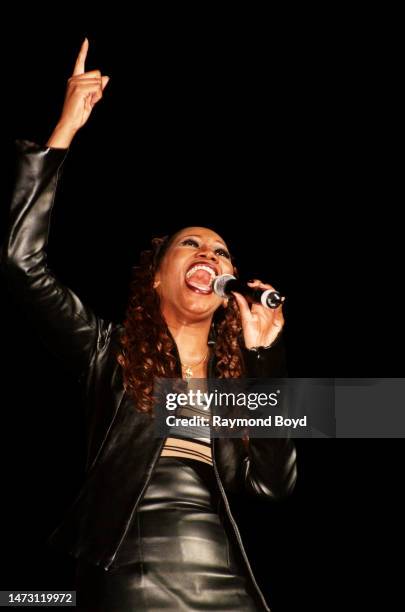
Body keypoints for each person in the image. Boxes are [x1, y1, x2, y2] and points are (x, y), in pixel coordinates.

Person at [0, 38, 297, 611]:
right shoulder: (108, 351)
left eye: (221, 252)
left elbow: (272, 484)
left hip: (227, 573)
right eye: (192, 245)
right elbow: (22, 261)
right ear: (159, 278)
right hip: (134, 565)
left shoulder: (232, 386)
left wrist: (265, 358)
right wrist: (64, 132)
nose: (209, 256)